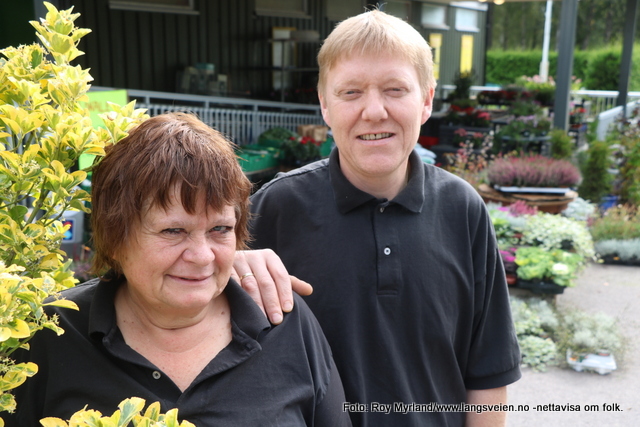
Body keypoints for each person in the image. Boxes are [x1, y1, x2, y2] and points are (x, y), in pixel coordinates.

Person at [239, 10, 521, 427]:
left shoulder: (463, 210)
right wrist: (229, 264)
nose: (374, 111)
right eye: (351, 92)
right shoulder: (275, 208)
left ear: (426, 101)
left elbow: (488, 372)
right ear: (325, 105)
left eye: (395, 90)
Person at [5, 113, 351, 427]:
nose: (202, 256)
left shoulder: (283, 320)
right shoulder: (51, 334)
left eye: (220, 229)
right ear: (114, 237)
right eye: (173, 231)